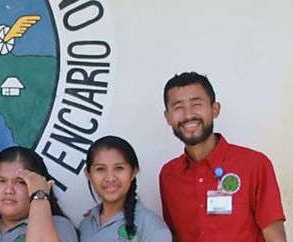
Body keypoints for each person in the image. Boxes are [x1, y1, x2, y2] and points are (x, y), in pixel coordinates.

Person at [159, 72, 286, 241]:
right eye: (178, 107)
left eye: (196, 104)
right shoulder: (169, 175)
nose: (188, 115)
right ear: (168, 117)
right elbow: (175, 235)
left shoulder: (254, 165)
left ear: (215, 109)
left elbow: (275, 237)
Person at [0, 146, 77, 242]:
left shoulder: (59, 226)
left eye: (21, 182)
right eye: (1, 181)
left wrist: (39, 197)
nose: (9, 190)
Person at [78, 136, 170, 242]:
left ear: (133, 172)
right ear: (88, 174)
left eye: (119, 168)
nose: (110, 178)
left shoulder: (151, 226)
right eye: (100, 169)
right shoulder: (86, 223)